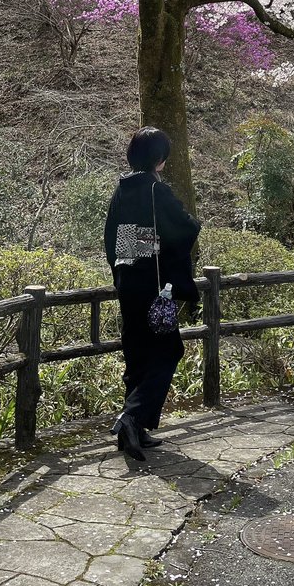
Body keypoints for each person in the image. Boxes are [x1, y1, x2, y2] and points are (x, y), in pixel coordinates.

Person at [104, 127, 201, 461]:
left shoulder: (121, 191)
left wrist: (125, 271)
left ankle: (136, 431)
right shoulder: (156, 191)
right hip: (154, 287)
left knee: (137, 355)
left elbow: (114, 240)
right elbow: (187, 227)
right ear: (159, 157)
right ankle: (131, 416)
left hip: (128, 283)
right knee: (168, 349)